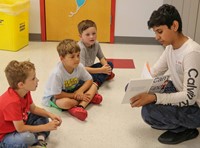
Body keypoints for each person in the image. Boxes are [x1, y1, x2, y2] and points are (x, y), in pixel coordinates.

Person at [129, 4, 200, 144]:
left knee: (148, 112)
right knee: (131, 89)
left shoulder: (192, 53)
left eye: (160, 31)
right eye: (155, 32)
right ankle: (175, 120)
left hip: (195, 108)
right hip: (179, 91)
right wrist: (138, 87)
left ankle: (186, 129)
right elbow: (154, 73)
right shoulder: (170, 48)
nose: (156, 37)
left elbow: (190, 97)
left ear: (174, 26)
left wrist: (154, 97)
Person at [0, 60, 62, 148]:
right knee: (27, 137)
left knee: (43, 116)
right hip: (5, 136)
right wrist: (45, 127)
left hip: (19, 124)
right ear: (21, 85)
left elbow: (33, 109)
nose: (37, 80)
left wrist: (50, 115)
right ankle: (36, 139)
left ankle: (39, 140)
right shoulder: (12, 102)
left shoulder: (25, 91)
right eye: (33, 78)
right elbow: (20, 128)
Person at [42, 39, 102, 121]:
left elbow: (89, 80)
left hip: (73, 90)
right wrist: (75, 95)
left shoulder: (79, 66)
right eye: (72, 57)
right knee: (65, 103)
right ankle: (85, 101)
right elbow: (57, 95)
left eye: (78, 55)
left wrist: (80, 91)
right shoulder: (57, 73)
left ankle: (80, 105)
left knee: (94, 85)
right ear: (62, 58)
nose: (77, 59)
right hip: (56, 96)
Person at [77, 19, 115, 87]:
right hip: (81, 72)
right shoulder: (80, 48)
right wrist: (101, 70)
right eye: (87, 34)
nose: (91, 37)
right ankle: (98, 82)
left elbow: (101, 57)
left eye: (94, 33)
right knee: (82, 81)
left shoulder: (96, 43)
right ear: (81, 37)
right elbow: (82, 69)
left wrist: (106, 67)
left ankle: (103, 76)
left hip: (91, 68)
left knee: (110, 64)